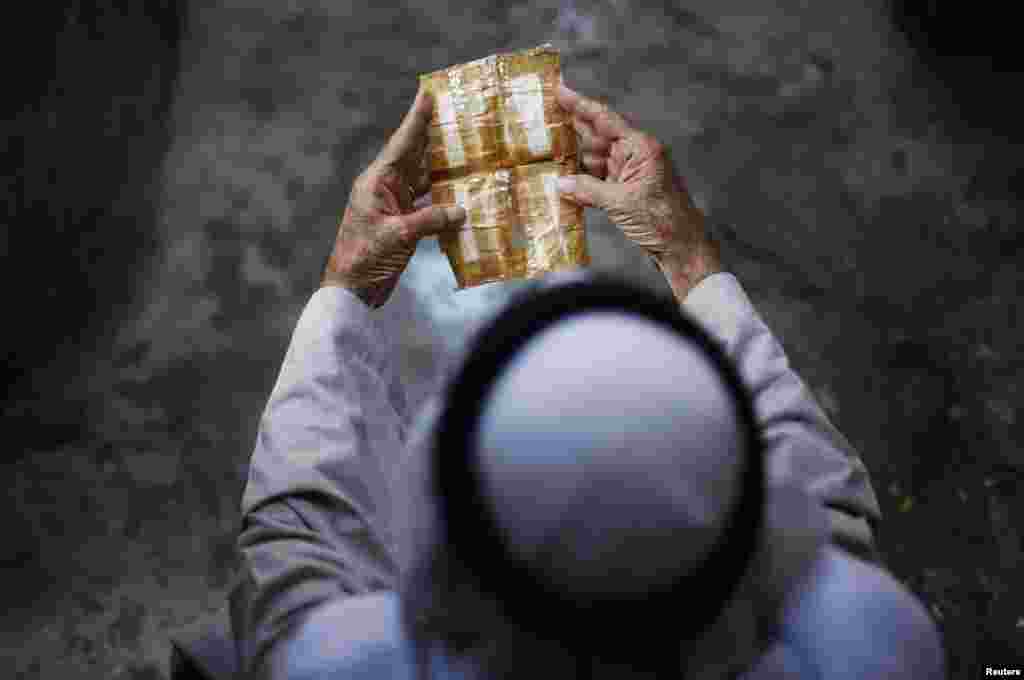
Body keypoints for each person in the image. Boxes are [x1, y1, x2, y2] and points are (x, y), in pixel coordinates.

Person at [197, 77, 945, 679]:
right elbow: (827, 502)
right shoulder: (878, 646)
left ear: (444, 550)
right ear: (757, 539)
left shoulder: (342, 663)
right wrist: (687, 256)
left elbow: (296, 530)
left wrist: (348, 282)